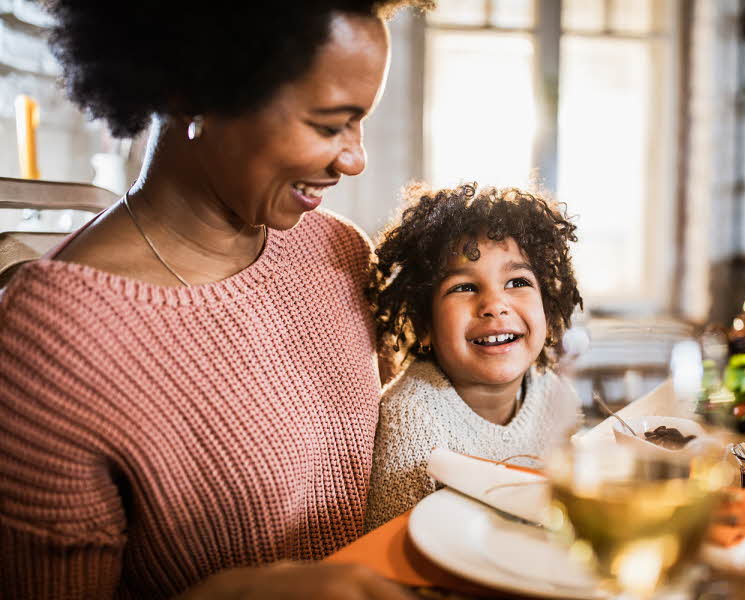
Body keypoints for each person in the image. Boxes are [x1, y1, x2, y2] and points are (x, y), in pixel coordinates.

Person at [0, 1, 433, 598]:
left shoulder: (338, 252)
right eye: (330, 124)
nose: (356, 160)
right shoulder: (58, 334)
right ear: (194, 92)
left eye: (360, 123)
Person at [364, 182, 583, 530]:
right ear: (424, 325)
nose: (495, 305)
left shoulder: (552, 391)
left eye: (517, 282)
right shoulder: (412, 420)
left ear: (548, 308)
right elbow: (392, 545)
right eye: (464, 287)